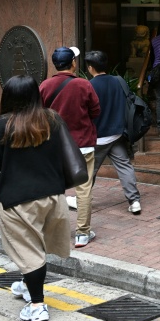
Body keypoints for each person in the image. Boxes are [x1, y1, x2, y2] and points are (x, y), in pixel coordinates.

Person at [0, 75, 73, 321]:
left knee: (28, 251)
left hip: (18, 200)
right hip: (53, 196)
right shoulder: (51, 118)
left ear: (7, 97)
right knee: (35, 247)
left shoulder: (4, 124)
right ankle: (26, 284)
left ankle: (37, 306)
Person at [39, 46, 100, 248]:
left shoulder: (45, 86)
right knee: (84, 190)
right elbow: (95, 111)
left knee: (54, 189)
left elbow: (40, 115)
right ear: (73, 63)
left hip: (55, 146)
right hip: (82, 144)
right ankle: (82, 233)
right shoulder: (83, 84)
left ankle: (53, 232)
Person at [85, 50, 142, 218]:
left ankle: (83, 201)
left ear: (90, 68)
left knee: (88, 170)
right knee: (124, 166)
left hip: (98, 137)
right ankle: (134, 201)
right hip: (117, 134)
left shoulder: (88, 86)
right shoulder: (118, 81)